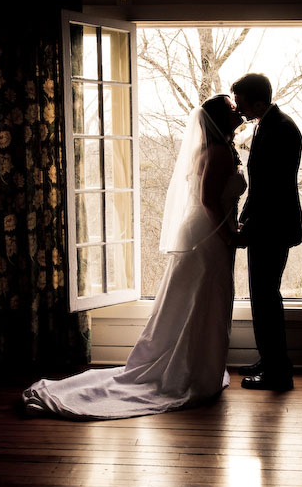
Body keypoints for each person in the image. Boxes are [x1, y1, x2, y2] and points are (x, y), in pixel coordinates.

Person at [22, 95, 245, 419]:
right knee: (204, 302)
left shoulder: (213, 149)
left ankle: (196, 367)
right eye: (231, 109)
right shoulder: (220, 153)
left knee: (193, 304)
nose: (237, 111)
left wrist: (230, 225)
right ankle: (192, 373)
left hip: (203, 233)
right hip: (208, 239)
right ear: (219, 120)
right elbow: (209, 201)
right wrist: (229, 236)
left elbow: (216, 202)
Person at [231, 73, 302, 391]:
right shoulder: (267, 124)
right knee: (263, 297)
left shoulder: (280, 129)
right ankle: (272, 359)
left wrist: (248, 224)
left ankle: (278, 373)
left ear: (258, 101)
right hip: (267, 224)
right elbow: (259, 187)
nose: (238, 109)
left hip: (272, 228)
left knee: (266, 297)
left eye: (242, 102)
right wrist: (245, 219)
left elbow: (271, 189)